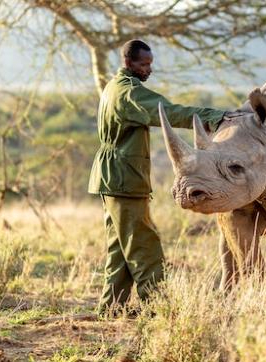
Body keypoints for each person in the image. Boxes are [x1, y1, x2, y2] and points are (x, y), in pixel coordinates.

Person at [88, 39, 239, 316]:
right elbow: (168, 112)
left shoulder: (113, 87)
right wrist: (215, 116)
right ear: (128, 63)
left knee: (121, 247)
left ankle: (110, 310)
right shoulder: (129, 93)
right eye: (143, 65)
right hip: (123, 178)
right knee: (144, 244)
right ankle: (158, 308)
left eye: (150, 64)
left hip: (112, 177)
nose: (148, 70)